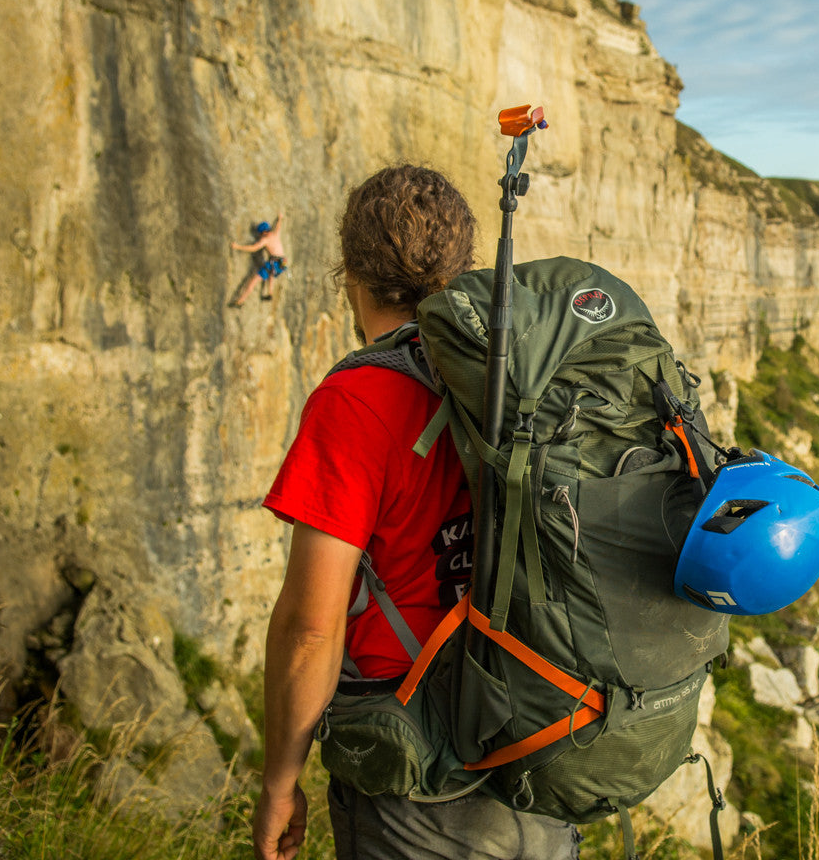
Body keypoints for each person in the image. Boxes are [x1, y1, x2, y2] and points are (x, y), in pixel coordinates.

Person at [252, 166, 579, 860]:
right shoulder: (518, 379)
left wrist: (281, 778)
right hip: (534, 750)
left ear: (350, 274)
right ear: (458, 274)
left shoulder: (354, 403)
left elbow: (312, 630)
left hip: (415, 782)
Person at [231, 213, 289, 306]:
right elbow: (278, 227)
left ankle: (240, 301)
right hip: (283, 262)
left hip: (274, 262)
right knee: (272, 273)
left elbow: (254, 248)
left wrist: (238, 247)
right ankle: (270, 293)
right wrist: (280, 218)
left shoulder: (265, 239)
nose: (260, 236)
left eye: (260, 234)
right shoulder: (275, 234)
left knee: (253, 281)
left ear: (263, 232)